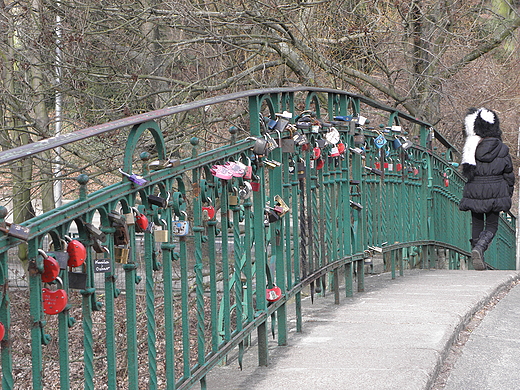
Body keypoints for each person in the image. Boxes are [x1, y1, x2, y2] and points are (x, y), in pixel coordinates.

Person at [458, 107, 515, 270]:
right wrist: (507, 194)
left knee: (477, 223)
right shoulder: (502, 149)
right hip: (496, 191)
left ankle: (476, 254)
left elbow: (467, 171)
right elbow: (508, 174)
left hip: (475, 190)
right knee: (491, 225)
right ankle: (480, 248)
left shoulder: (471, 148)